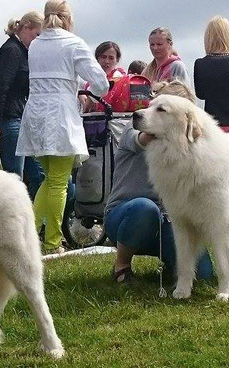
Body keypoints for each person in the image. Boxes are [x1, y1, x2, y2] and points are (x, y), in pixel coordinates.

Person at [16, 0, 108, 254]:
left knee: (51, 180)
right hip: (60, 118)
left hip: (35, 116)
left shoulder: (35, 44)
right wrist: (86, 94)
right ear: (69, 18)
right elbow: (101, 83)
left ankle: (28, 236)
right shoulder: (73, 43)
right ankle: (52, 242)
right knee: (58, 183)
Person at [105, 81, 213, 283]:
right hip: (126, 215)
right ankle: (121, 266)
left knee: (204, 275)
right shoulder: (135, 124)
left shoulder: (188, 141)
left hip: (167, 220)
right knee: (144, 208)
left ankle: (170, 265)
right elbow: (140, 140)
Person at [0, 11, 43, 178]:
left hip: (20, 120)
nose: (37, 40)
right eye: (36, 35)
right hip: (10, 120)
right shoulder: (12, 50)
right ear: (26, 28)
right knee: (15, 176)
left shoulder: (21, 51)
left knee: (39, 174)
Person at [80, 41, 125, 112]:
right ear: (97, 59)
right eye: (103, 57)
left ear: (117, 60)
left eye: (111, 58)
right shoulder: (89, 81)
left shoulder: (123, 80)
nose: (107, 61)